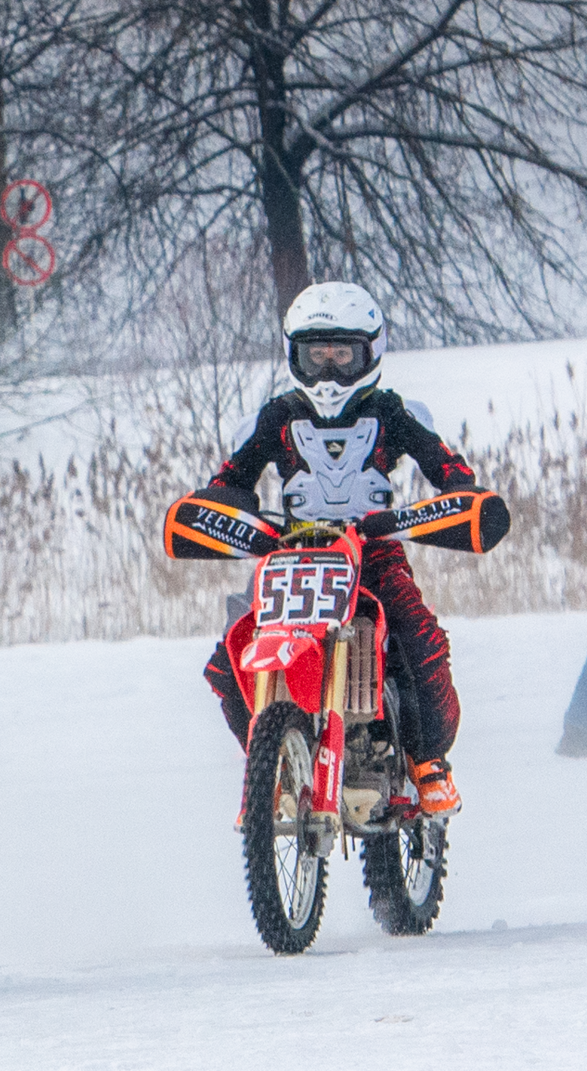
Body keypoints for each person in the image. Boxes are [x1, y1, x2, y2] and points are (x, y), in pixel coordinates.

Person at [194, 282, 500, 816]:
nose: (329, 372)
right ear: (296, 354)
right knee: (228, 660)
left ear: (370, 352)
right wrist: (217, 512)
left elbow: (451, 471)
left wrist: (460, 499)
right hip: (290, 554)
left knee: (419, 640)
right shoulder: (275, 418)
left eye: (342, 354)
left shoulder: (396, 412)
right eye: (317, 356)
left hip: (373, 549)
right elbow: (228, 481)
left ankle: (427, 761)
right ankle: (273, 760)